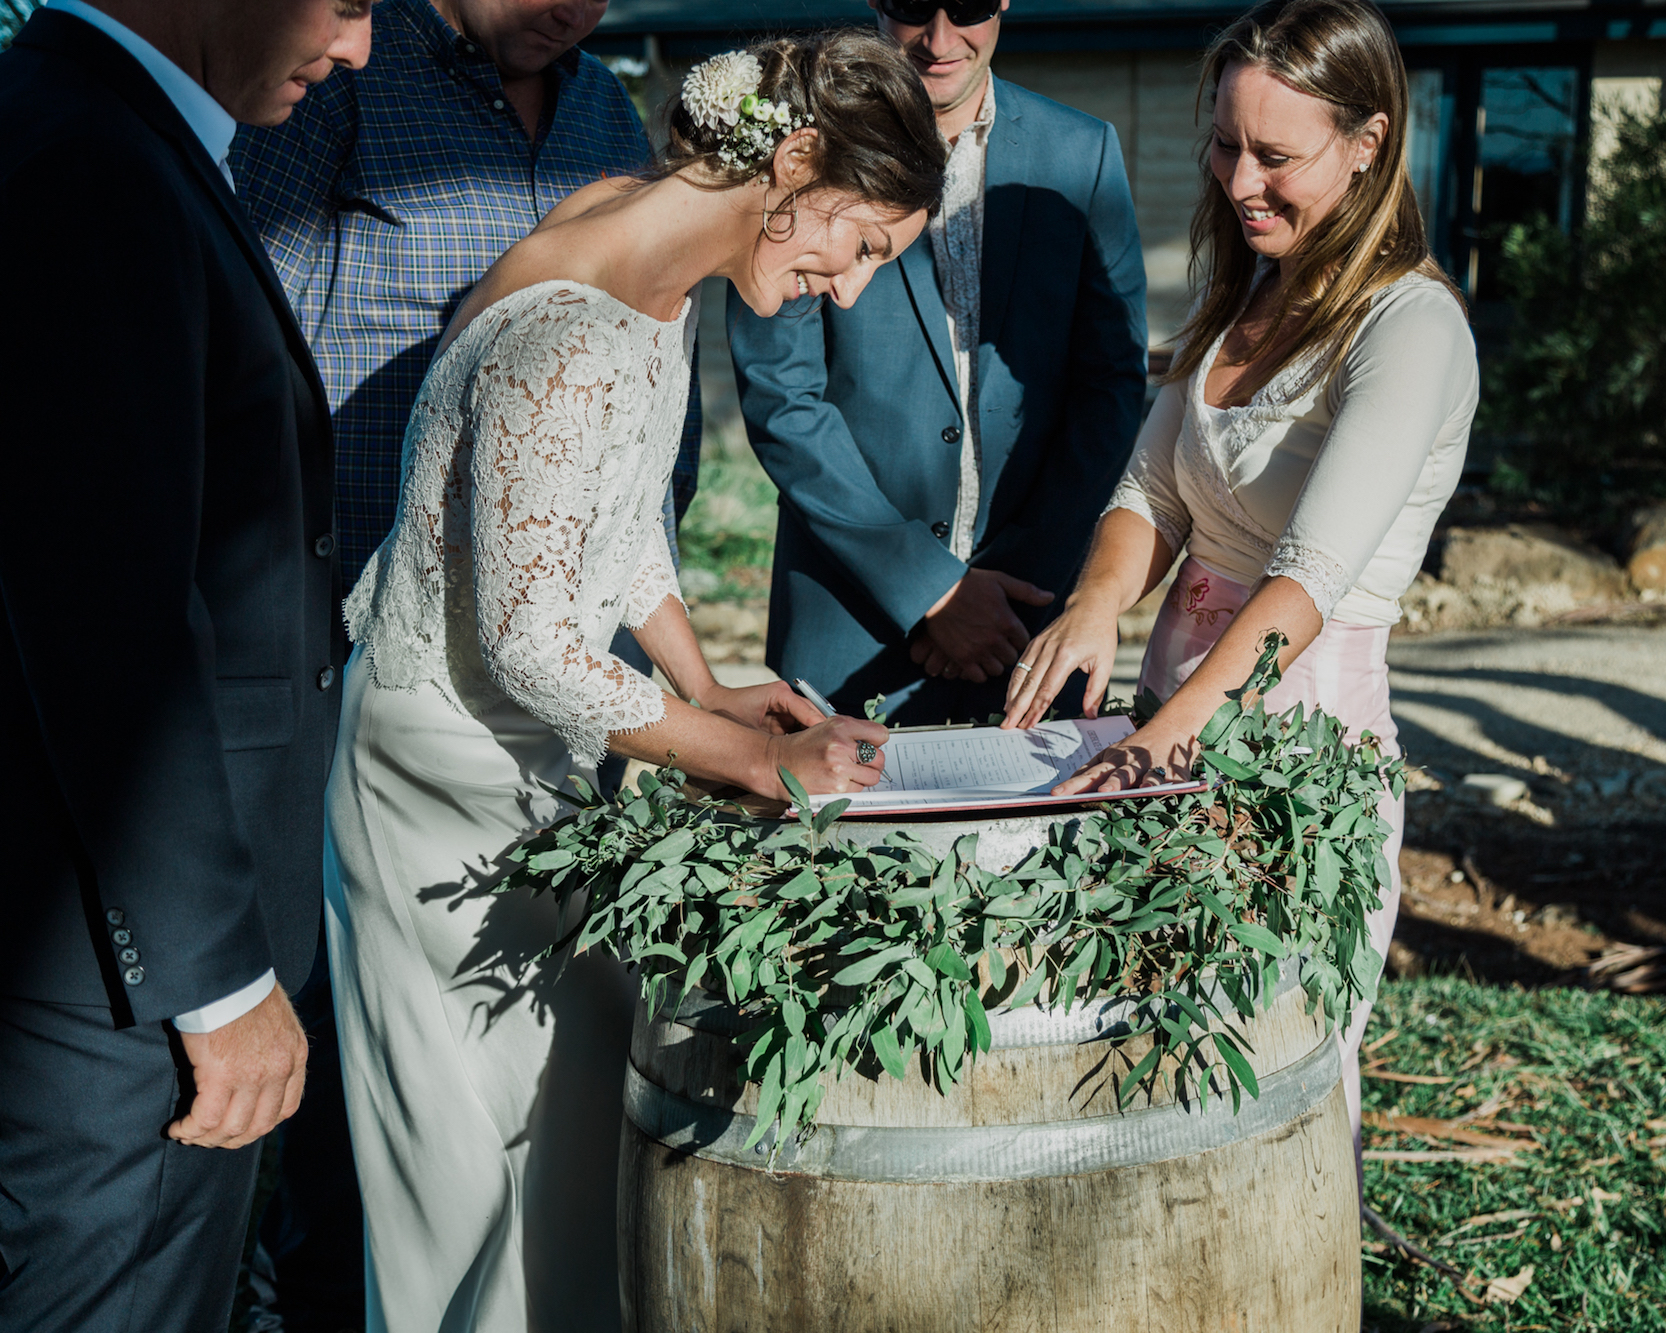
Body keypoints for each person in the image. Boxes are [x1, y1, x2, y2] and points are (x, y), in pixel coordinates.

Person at [324, 32, 944, 1332]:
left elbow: (612, 533)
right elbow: (533, 644)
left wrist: (707, 688)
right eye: (866, 243)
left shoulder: (644, 255)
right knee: (463, 1191)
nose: (848, 288)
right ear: (795, 157)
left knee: (558, 1165)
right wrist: (748, 761)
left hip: (533, 766)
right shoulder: (573, 337)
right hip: (433, 780)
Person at [228, 3, 685, 1323]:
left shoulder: (604, 109)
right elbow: (249, 342)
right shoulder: (337, 90)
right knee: (363, 1072)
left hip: (548, 690)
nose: (577, 6)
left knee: (530, 1069)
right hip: (349, 647)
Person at [1002, 0, 1479, 1159]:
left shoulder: (1408, 328)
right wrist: (1096, 602)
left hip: (1289, 733)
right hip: (1171, 712)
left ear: (1368, 144)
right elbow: (1149, 494)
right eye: (1224, 145)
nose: (1238, 182)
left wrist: (1174, 732)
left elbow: (1306, 581)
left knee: (1263, 1089)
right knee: (1142, 1074)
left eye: (1276, 156)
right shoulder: (1242, 294)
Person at [0, 0, 369, 1329]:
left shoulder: (103, 132)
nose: (360, 50)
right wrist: (215, 980)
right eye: (349, 1)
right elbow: (106, 617)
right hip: (122, 986)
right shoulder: (89, 161)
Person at [730, 0, 1148, 724]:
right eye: (915, 5)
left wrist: (1005, 589)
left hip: (1026, 627)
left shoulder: (1084, 154)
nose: (940, 39)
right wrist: (930, 589)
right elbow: (780, 392)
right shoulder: (804, 145)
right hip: (849, 631)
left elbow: (1110, 385)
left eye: (972, 6)